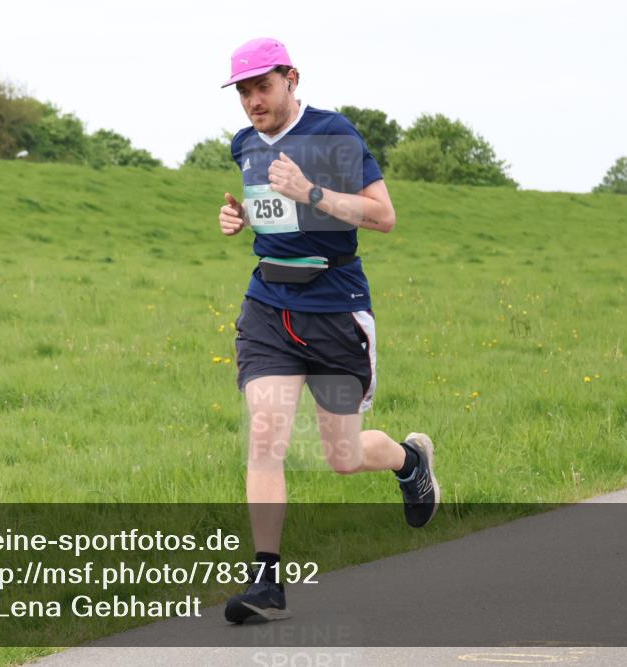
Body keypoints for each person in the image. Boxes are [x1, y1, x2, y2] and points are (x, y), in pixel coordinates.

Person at [216, 37, 440, 624]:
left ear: (292, 78)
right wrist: (238, 218)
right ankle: (267, 581)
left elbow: (384, 216)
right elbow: (273, 210)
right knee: (265, 439)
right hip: (268, 307)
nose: (252, 102)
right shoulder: (243, 143)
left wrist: (312, 192)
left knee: (341, 456)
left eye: (262, 87)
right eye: (243, 91)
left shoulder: (333, 134)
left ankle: (409, 462)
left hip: (334, 311)